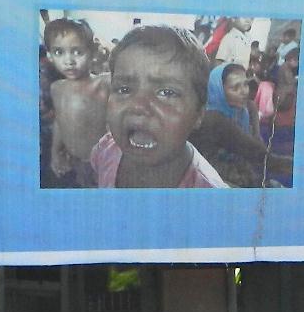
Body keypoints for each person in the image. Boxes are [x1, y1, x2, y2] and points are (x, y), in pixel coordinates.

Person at [88, 24, 229, 189]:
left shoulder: (209, 197)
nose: (138, 106)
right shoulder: (106, 150)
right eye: (124, 89)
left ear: (199, 114)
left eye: (167, 93)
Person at [44, 17, 106, 187]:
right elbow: (59, 121)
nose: (69, 61)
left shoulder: (102, 84)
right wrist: (55, 152)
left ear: (92, 52)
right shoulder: (56, 88)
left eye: (77, 52)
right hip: (74, 161)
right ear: (50, 55)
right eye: (59, 52)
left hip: (103, 160)